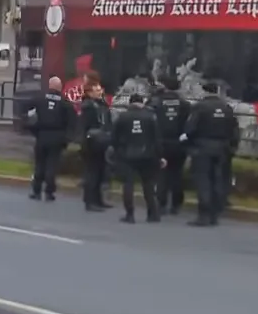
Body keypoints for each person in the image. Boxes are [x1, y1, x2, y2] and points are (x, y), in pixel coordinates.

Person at [183, 82, 239, 227]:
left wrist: (188, 144)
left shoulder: (200, 107)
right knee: (217, 180)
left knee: (203, 181)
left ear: (204, 92)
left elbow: (190, 128)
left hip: (202, 147)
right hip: (222, 148)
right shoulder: (227, 108)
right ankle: (215, 214)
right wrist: (232, 148)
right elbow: (235, 130)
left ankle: (204, 214)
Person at [112, 94, 163, 224]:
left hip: (127, 154)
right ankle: (153, 213)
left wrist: (118, 152)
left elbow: (114, 137)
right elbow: (157, 138)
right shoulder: (151, 117)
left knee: (128, 184)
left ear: (130, 103)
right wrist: (160, 156)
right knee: (149, 185)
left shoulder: (122, 117)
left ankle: (130, 214)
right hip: (148, 154)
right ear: (142, 103)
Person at [26, 76, 76, 201]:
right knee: (52, 165)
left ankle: (36, 191)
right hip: (57, 136)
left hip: (42, 135)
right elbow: (72, 122)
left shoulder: (39, 99)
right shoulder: (65, 103)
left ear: (49, 86)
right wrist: (67, 138)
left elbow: (27, 112)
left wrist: (34, 130)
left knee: (39, 164)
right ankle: (49, 192)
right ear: (60, 87)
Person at [147, 75, 190, 215]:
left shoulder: (156, 101)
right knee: (177, 173)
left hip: (161, 142)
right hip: (179, 143)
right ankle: (176, 203)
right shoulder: (184, 104)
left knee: (162, 173)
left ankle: (162, 202)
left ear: (164, 86)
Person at [79, 82, 113, 211]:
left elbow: (107, 123)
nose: (100, 92)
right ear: (89, 92)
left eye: (100, 89)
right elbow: (85, 127)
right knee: (91, 173)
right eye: (97, 90)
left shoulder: (102, 105)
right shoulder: (88, 106)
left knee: (100, 172)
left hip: (102, 142)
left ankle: (98, 200)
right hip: (92, 143)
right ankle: (89, 201)